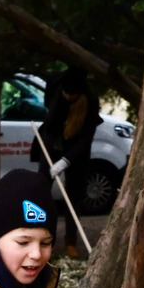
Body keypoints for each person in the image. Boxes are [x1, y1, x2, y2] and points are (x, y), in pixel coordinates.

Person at [30, 66, 102, 258]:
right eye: (66, 93)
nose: (68, 97)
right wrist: (51, 157)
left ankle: (71, 241)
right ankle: (43, 241)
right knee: (41, 192)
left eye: (72, 95)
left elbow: (87, 137)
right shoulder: (55, 87)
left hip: (76, 152)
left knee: (74, 197)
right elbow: (50, 125)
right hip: (52, 143)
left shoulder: (91, 102)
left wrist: (66, 160)